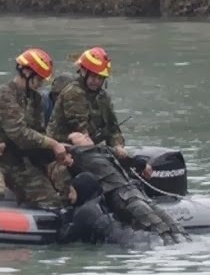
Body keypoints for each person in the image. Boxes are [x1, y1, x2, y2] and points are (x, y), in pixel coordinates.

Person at [0, 48, 71, 208]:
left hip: (16, 159)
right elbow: (20, 134)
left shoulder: (35, 99)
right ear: (26, 72)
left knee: (50, 200)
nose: (41, 84)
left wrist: (58, 155)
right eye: (39, 79)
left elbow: (37, 134)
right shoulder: (4, 95)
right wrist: (54, 144)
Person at [46, 46, 151, 195]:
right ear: (84, 72)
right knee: (74, 185)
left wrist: (118, 145)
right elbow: (82, 137)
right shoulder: (74, 93)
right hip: (64, 155)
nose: (96, 81)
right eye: (93, 76)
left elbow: (113, 129)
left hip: (91, 154)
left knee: (127, 175)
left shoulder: (103, 98)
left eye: (100, 78)